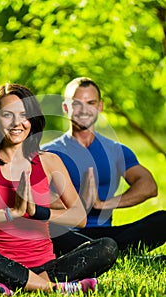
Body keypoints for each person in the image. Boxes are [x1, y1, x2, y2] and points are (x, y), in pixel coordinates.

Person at [0, 83, 118, 297]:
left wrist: (37, 211)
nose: (16, 123)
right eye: (7, 115)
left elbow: (79, 217)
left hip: (44, 266)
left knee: (107, 247)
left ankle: (14, 286)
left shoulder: (50, 162)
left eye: (23, 115)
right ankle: (53, 288)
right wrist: (12, 213)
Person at [42, 77, 166, 258]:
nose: (84, 110)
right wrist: (79, 204)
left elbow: (148, 186)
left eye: (90, 103)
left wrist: (103, 204)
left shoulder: (115, 150)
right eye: (77, 104)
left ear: (100, 106)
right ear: (65, 108)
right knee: (47, 231)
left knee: (162, 220)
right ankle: (114, 253)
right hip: (67, 234)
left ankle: (107, 251)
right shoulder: (48, 153)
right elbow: (35, 198)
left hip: (107, 234)